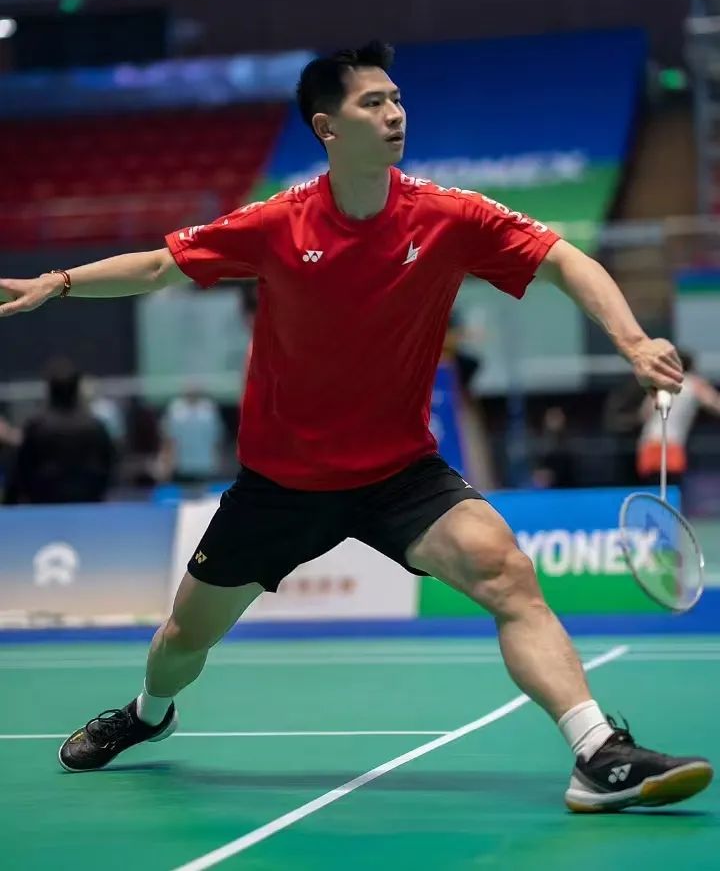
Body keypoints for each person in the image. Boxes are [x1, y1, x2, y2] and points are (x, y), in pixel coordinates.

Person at [0, 41, 712, 811]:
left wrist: (632, 341)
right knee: (182, 639)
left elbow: (565, 260)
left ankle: (597, 752)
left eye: (397, 99)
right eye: (373, 103)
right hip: (281, 484)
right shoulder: (277, 223)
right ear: (327, 128)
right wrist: (59, 281)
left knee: (507, 574)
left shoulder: (449, 215)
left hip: (399, 474)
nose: (395, 113)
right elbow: (157, 266)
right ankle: (148, 714)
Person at [4, 359, 114, 504]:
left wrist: (8, 503)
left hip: (46, 501)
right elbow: (110, 468)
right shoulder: (96, 426)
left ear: (49, 390)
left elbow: (20, 470)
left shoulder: (37, 427)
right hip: (86, 500)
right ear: (76, 389)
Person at [636, 349, 720, 488]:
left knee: (652, 490)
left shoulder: (660, 384)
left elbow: (644, 414)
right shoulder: (695, 384)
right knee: (672, 489)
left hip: (648, 443)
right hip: (671, 444)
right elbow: (715, 404)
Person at [161, 384, 224, 485]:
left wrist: (217, 460)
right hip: (182, 465)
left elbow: (216, 438)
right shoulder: (175, 409)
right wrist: (167, 463)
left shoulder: (209, 409)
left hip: (205, 465)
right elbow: (169, 439)